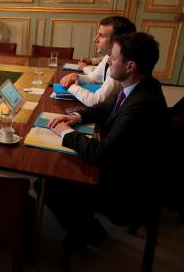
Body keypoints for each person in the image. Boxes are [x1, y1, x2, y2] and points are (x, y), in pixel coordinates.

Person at [46, 32, 170, 250]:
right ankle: (88, 227)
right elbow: (106, 108)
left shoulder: (142, 105)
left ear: (130, 66)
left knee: (51, 179)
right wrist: (77, 117)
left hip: (129, 188)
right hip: (128, 166)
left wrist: (66, 133)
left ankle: (88, 232)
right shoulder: (141, 86)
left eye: (113, 58)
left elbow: (102, 154)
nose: (107, 62)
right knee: (61, 165)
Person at [59, 16, 136, 106]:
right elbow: (94, 79)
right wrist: (77, 77)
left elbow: (96, 101)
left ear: (117, 41)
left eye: (101, 35)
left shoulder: (120, 66)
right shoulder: (108, 57)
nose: (95, 39)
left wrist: (70, 86)